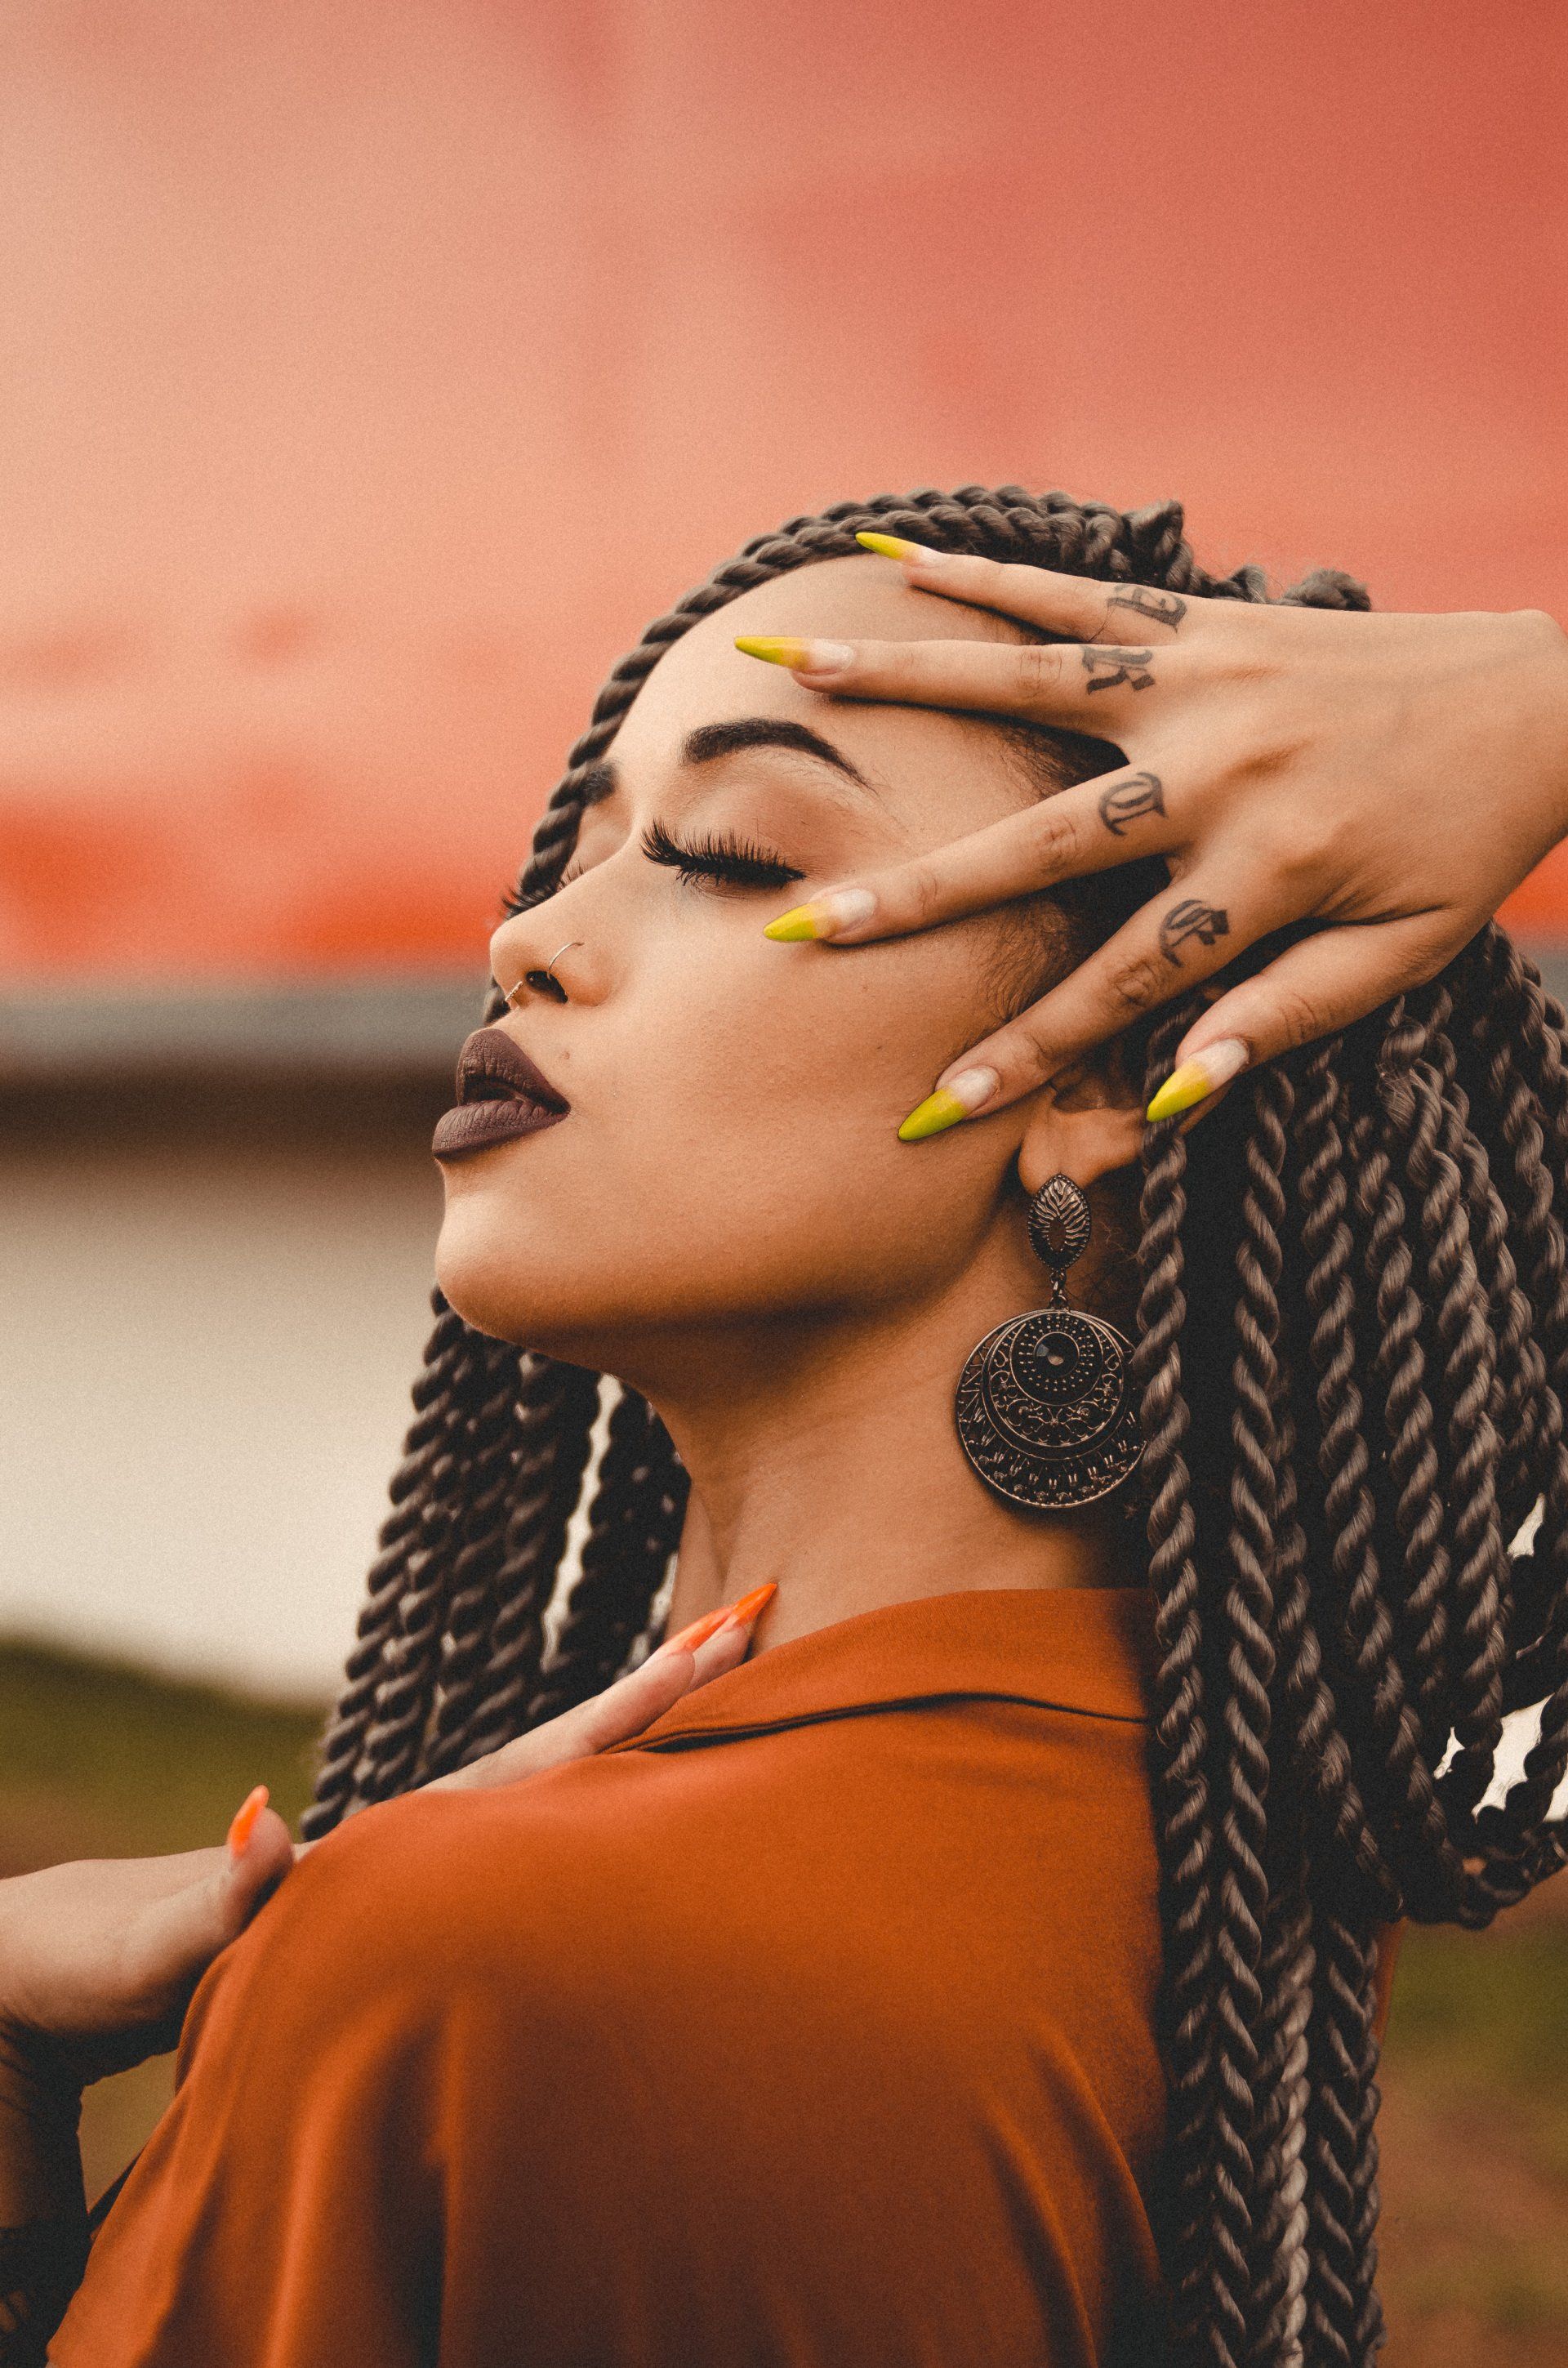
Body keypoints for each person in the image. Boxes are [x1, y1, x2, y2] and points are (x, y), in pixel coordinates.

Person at [3, 485, 1567, 2368]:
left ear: (1093, 1079)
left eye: (730, 851)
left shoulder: (481, 1966)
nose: (531, 939)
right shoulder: (1166, 1844)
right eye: (576, 851)